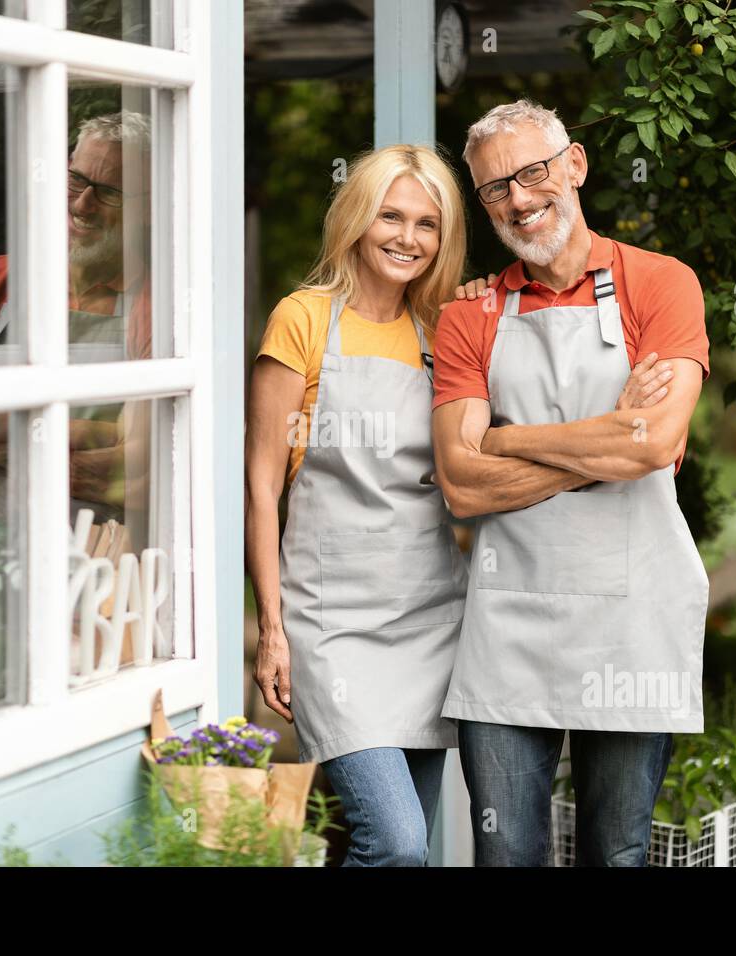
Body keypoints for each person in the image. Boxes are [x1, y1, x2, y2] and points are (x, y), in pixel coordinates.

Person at [432, 99, 711, 866]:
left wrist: (507, 440)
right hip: (509, 627)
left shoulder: (662, 284)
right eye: (495, 189)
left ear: (575, 165)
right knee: (506, 856)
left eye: (533, 173)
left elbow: (650, 444)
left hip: (634, 620)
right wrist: (600, 441)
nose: (519, 199)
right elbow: (460, 483)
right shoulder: (470, 315)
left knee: (614, 854)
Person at [246, 145, 471, 866]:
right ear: (356, 218)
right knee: (397, 844)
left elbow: (474, 463)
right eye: (391, 216)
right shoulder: (303, 321)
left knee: (409, 843)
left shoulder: (441, 338)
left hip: (429, 621)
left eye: (427, 224)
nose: (408, 237)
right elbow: (261, 487)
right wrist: (272, 631)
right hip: (331, 623)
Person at [0, 110, 153, 702]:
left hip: (94, 565)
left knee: (77, 719)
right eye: (74, 180)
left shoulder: (155, 308)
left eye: (109, 191)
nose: (82, 204)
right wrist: (89, 432)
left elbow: (137, 469)